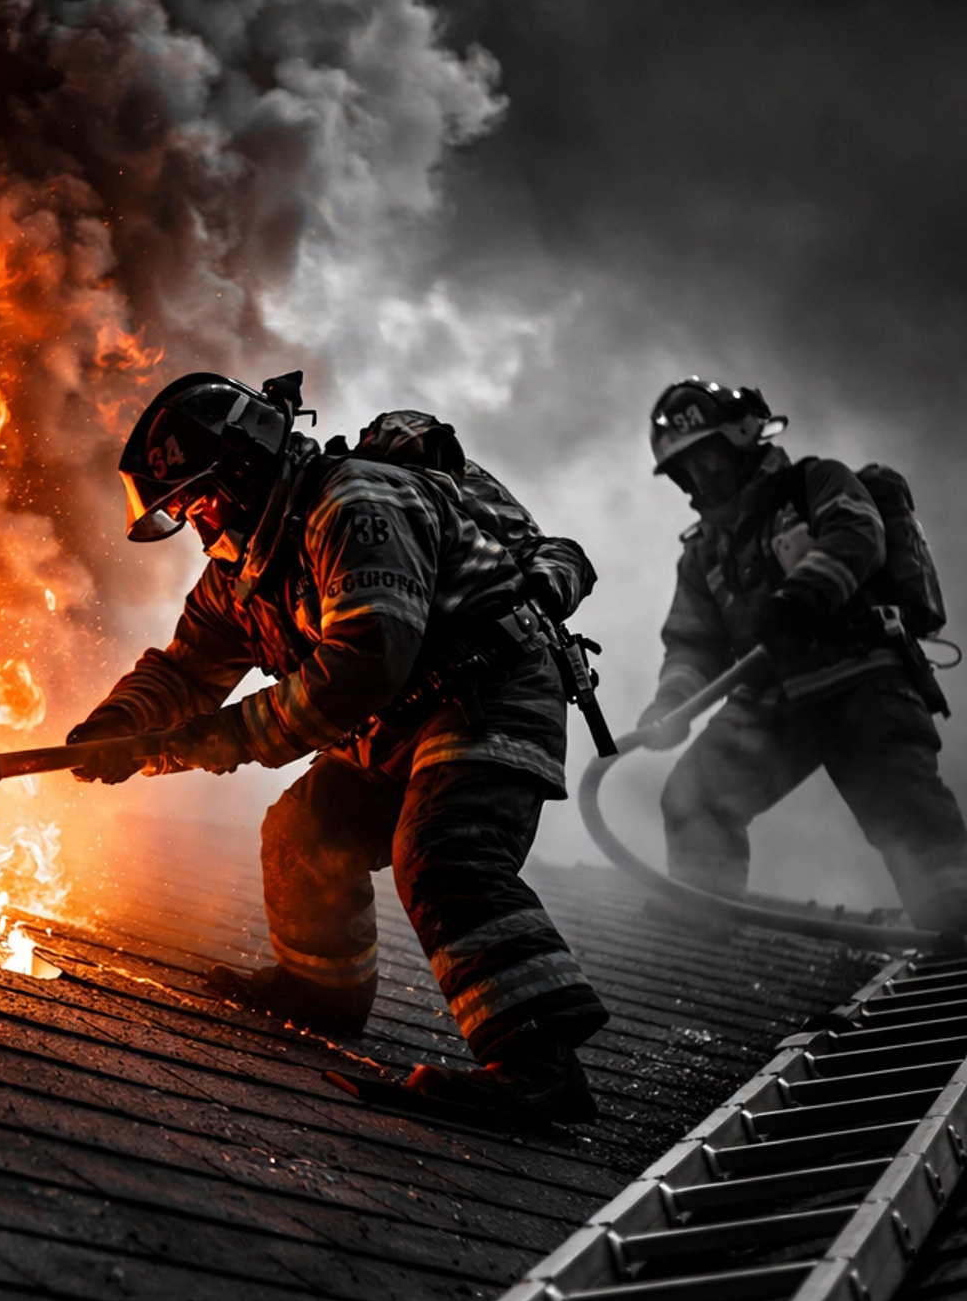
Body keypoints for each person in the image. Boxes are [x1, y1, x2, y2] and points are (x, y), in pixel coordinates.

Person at [66, 370, 609, 1125]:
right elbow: (187, 670)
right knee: (303, 830)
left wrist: (220, 739)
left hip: (490, 696)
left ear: (246, 469)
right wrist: (117, 729)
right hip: (399, 720)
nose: (197, 524)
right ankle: (322, 991)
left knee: (445, 852)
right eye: (183, 510)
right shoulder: (240, 577)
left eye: (200, 499)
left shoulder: (356, 504)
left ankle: (540, 1068)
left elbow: (365, 662)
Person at [638, 376, 967, 934]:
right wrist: (670, 704)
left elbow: (857, 532)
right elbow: (692, 643)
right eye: (686, 469)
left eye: (709, 457)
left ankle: (958, 923)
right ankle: (700, 923)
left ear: (742, 437)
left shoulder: (814, 483)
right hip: (774, 695)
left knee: (906, 810)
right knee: (694, 798)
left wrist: (802, 597)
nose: (702, 476)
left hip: (859, 673)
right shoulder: (703, 552)